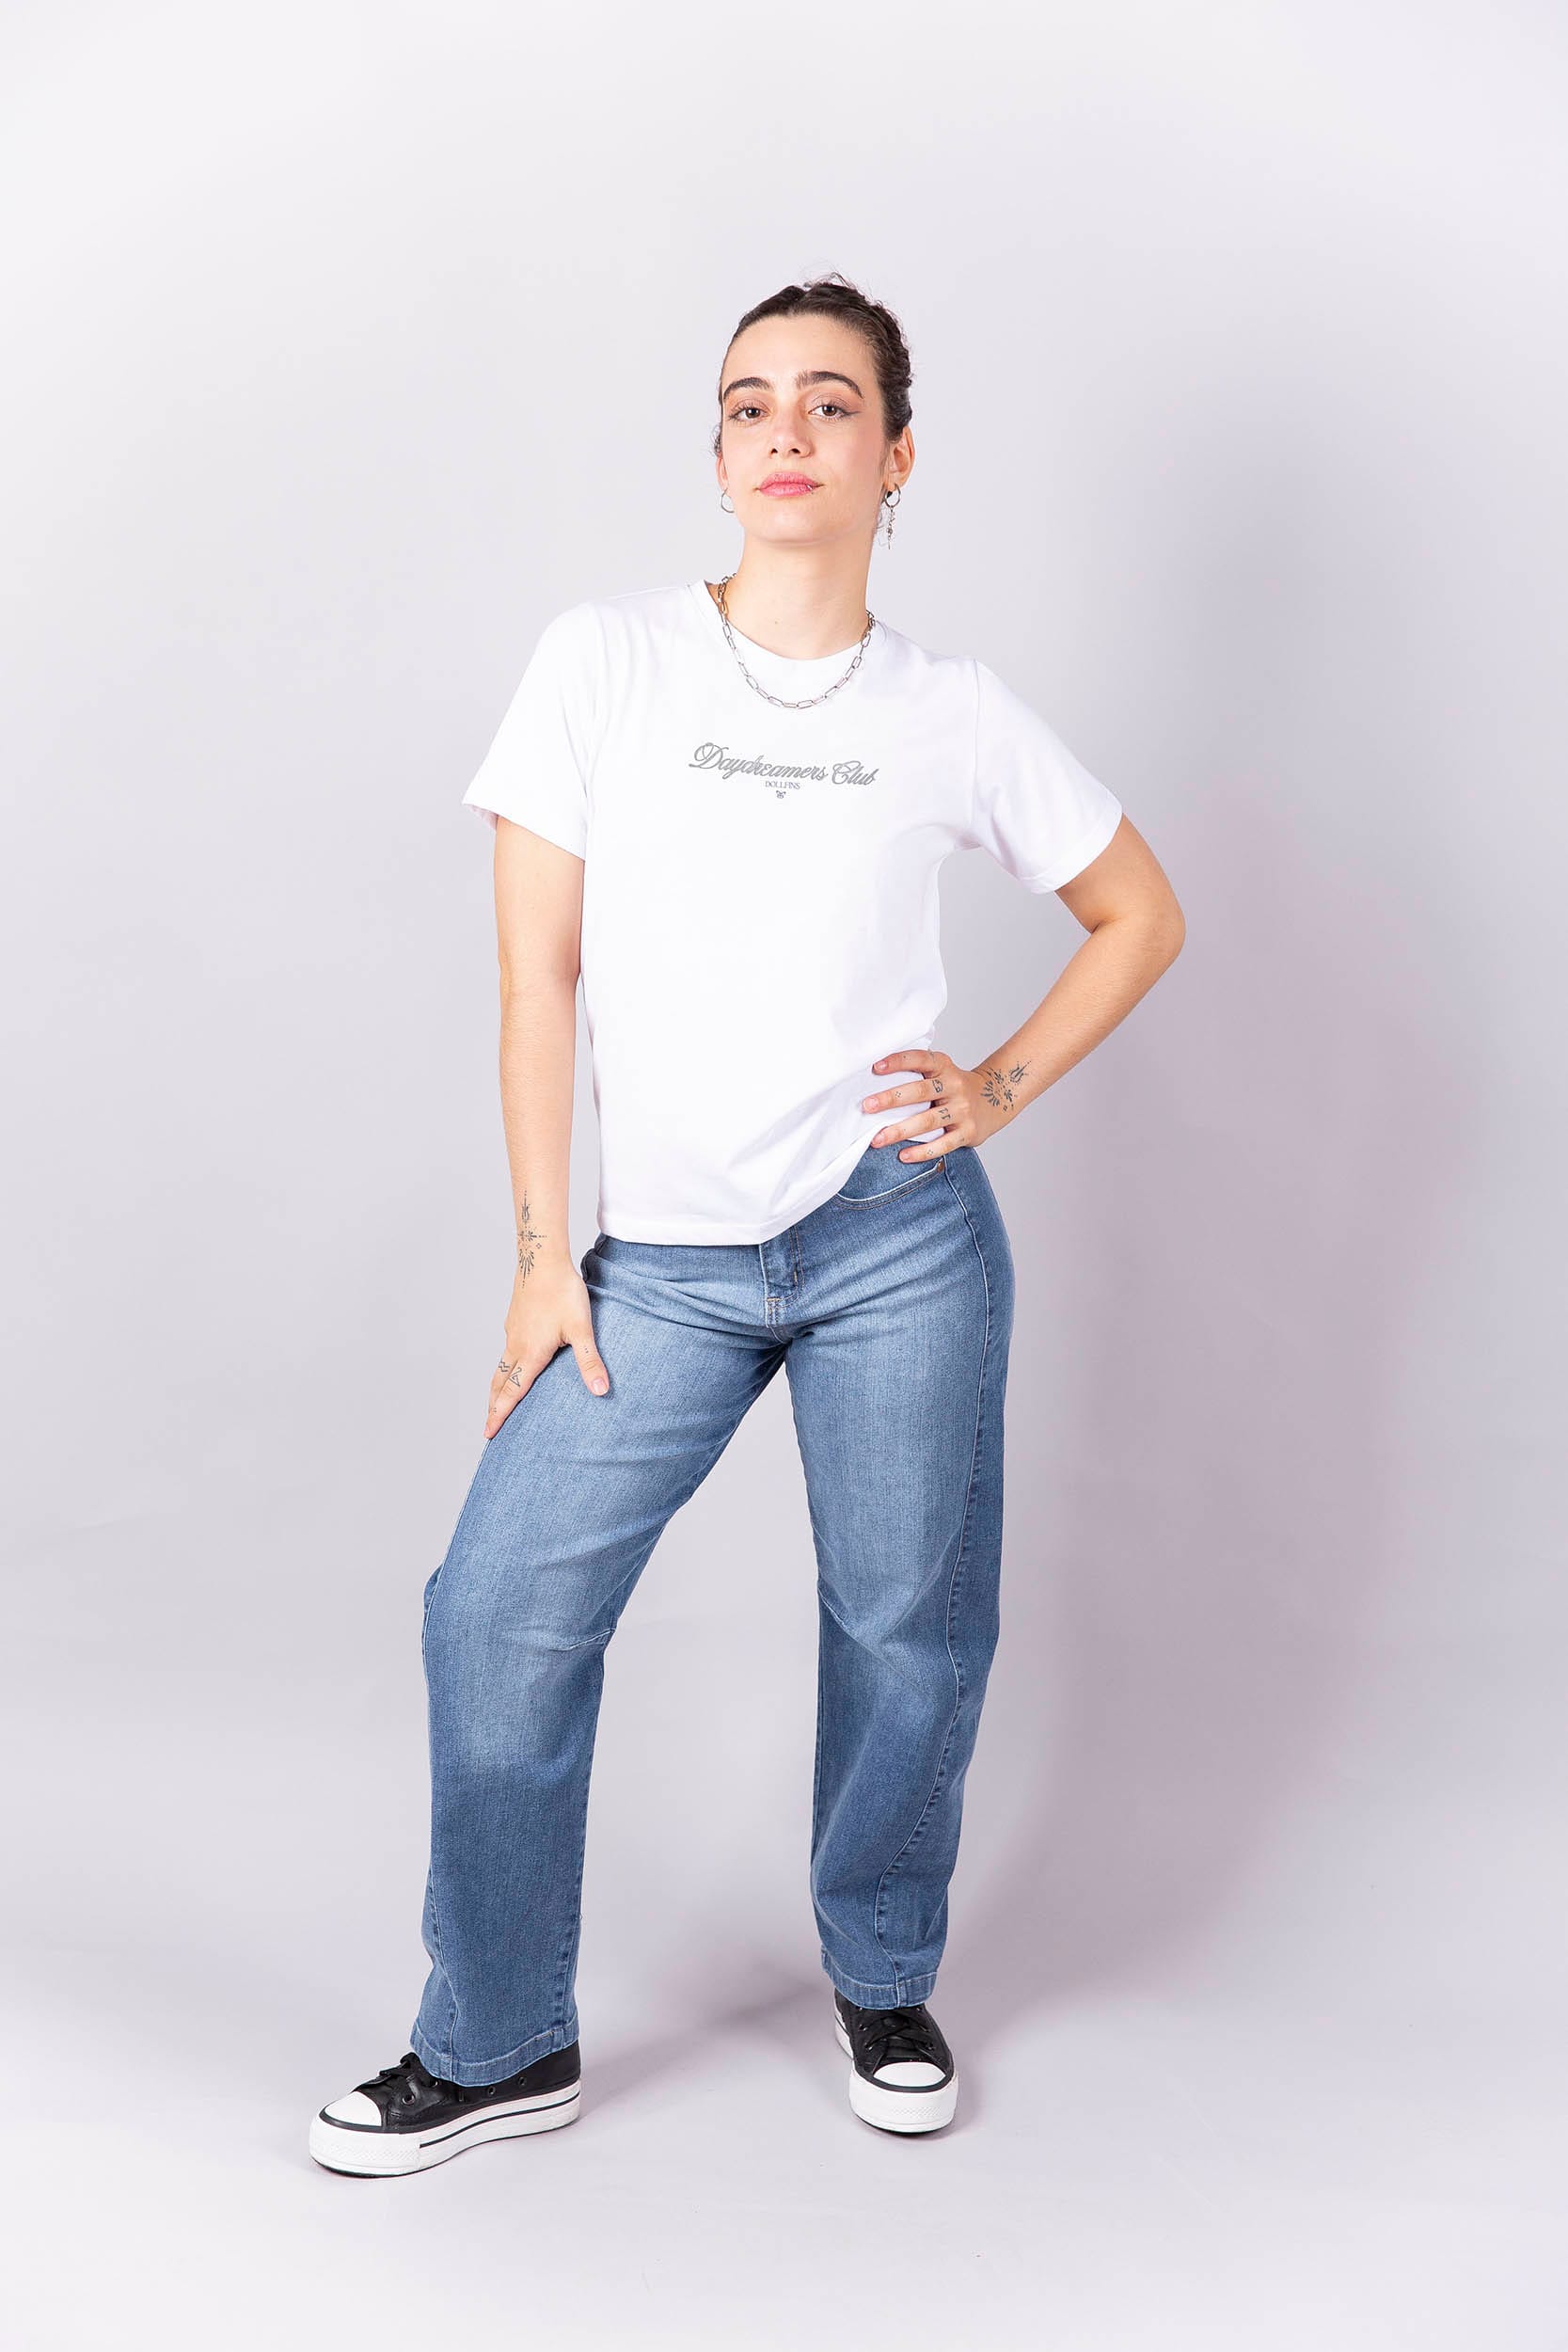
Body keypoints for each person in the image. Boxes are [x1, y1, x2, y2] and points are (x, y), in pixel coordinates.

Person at [309, 273, 1184, 2177]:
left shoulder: (951, 711)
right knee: (497, 1610)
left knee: (905, 1624)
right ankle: (499, 2039)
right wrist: (542, 1256)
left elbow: (1140, 910)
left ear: (897, 456)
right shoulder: (605, 661)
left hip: (896, 1239)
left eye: (831, 403)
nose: (787, 431)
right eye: (749, 402)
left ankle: (882, 1972)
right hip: (665, 1264)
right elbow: (536, 979)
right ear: (717, 454)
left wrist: (994, 1086)